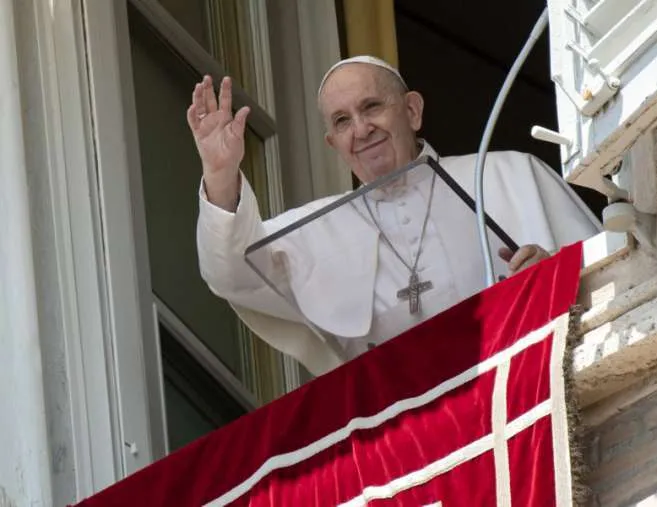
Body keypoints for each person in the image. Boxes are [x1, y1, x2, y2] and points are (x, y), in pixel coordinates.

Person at [191, 56, 600, 376]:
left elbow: (611, 272)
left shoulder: (510, 174)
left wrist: (557, 276)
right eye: (342, 121)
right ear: (334, 143)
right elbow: (232, 272)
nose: (362, 129)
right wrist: (221, 173)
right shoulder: (318, 229)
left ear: (412, 111)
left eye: (371, 107)